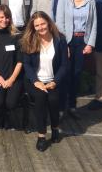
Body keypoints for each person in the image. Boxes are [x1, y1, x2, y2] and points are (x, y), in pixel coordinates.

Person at [21, 11, 68, 152]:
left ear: (48, 22)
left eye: (43, 23)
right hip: (35, 81)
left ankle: (55, 128)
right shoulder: (29, 40)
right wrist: (35, 81)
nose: (41, 27)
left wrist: (55, 81)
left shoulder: (60, 40)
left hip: (53, 80)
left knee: (53, 99)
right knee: (40, 98)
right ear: (33, 27)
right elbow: (27, 64)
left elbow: (65, 65)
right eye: (37, 25)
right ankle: (41, 135)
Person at [56, 0, 97, 118]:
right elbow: (59, 21)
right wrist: (64, 44)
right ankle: (60, 107)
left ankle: (72, 106)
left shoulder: (91, 0)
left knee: (76, 74)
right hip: (67, 40)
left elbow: (94, 24)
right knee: (64, 73)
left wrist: (90, 44)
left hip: (82, 42)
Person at [0, 5, 23, 130]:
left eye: (7, 17)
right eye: (1, 17)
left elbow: (20, 61)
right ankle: (0, 111)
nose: (4, 20)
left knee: (11, 103)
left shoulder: (17, 36)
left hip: (14, 76)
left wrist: (12, 79)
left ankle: (8, 114)